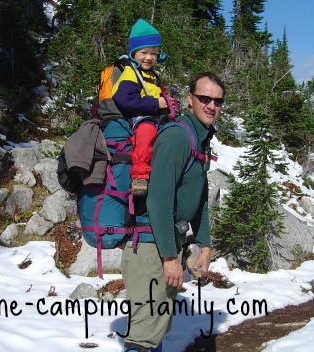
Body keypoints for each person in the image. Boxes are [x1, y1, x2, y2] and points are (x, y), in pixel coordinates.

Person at [120, 72, 226, 352]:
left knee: (156, 329)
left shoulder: (199, 139)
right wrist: (169, 257)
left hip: (164, 244)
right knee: (143, 337)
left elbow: (199, 197)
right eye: (204, 98)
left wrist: (204, 244)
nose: (211, 106)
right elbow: (158, 200)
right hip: (150, 248)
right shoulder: (178, 136)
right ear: (190, 99)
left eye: (217, 101)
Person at [112, 18, 173, 196]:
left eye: (154, 53)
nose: (149, 57)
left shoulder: (152, 75)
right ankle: (139, 176)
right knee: (146, 132)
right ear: (133, 53)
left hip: (155, 116)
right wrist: (156, 104)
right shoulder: (131, 73)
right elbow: (126, 101)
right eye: (144, 52)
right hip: (138, 117)